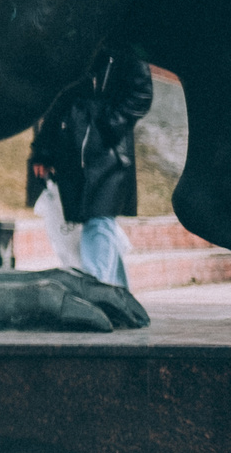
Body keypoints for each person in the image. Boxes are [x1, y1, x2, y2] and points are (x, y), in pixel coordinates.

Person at [27, 47, 151, 290]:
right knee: (94, 219)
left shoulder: (125, 47)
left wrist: (108, 125)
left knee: (99, 218)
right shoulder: (78, 45)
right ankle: (119, 293)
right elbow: (57, 101)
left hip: (110, 154)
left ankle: (97, 290)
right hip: (72, 150)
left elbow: (142, 94)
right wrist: (42, 150)